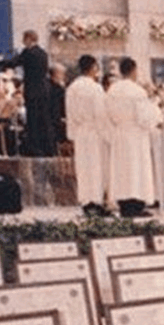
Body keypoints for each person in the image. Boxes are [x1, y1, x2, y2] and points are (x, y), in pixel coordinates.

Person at [105, 57, 159, 217]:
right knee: (136, 169)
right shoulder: (137, 91)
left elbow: (107, 113)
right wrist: (154, 107)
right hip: (136, 134)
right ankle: (135, 205)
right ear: (134, 70)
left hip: (120, 132)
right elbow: (145, 118)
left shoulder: (112, 90)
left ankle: (123, 205)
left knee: (122, 170)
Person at [65, 55, 112, 216]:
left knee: (83, 168)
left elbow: (69, 113)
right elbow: (100, 113)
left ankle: (86, 201)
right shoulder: (95, 88)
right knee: (96, 167)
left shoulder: (72, 88)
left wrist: (72, 135)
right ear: (93, 68)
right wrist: (107, 134)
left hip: (80, 132)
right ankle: (96, 202)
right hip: (94, 131)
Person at [0, 30, 53, 156]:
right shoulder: (43, 53)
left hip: (32, 90)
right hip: (44, 90)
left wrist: (0, 61)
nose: (23, 41)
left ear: (28, 39)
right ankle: (48, 148)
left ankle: (35, 149)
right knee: (44, 120)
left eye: (24, 39)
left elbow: (14, 63)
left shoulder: (28, 52)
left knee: (32, 120)